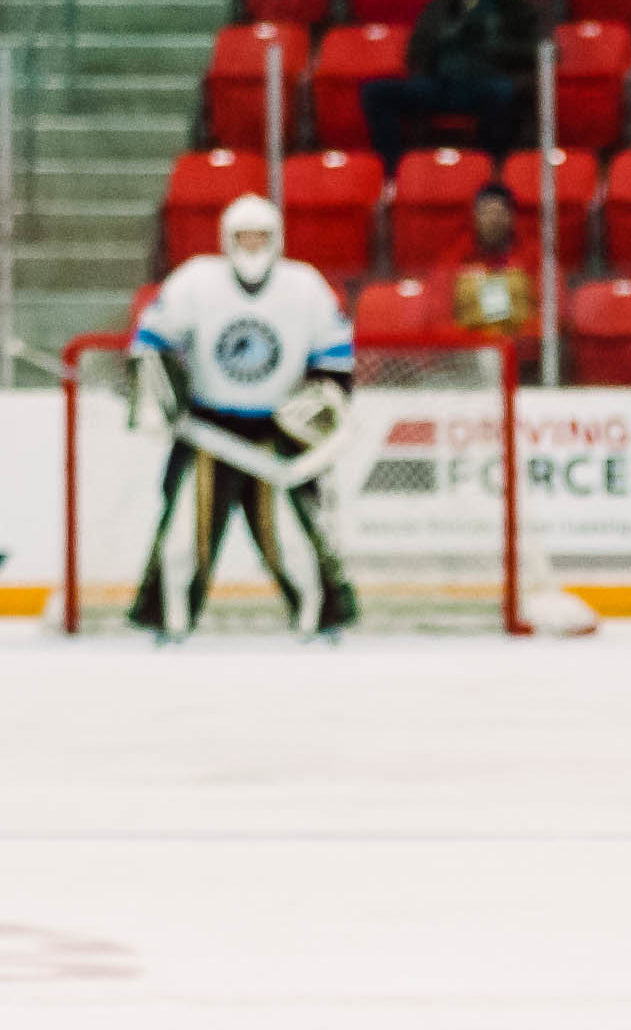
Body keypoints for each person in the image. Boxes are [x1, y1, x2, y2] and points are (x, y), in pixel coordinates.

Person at [126, 196, 361, 643]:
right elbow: (150, 341)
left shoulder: (305, 285)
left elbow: (335, 358)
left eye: (260, 236)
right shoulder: (196, 280)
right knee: (182, 535)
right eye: (242, 236)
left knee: (295, 537)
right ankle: (170, 622)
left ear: (277, 239)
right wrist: (156, 396)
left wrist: (325, 398)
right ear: (226, 239)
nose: (252, 244)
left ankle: (320, 620)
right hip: (207, 428)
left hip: (280, 431)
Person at [360, 0, 537, 173]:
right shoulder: (439, 6)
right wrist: (443, 41)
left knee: (504, 93)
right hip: (440, 84)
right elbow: (415, 49)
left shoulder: (514, 7)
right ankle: (394, 171)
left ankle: (490, 168)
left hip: (487, 83)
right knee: (375, 93)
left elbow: (543, 49)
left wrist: (492, 47)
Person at [439, 182, 534, 340]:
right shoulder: (454, 261)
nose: (492, 220)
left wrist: (521, 340)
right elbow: (439, 318)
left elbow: (552, 316)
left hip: (521, 353)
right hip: (468, 354)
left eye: (499, 213)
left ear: (511, 217)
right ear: (474, 216)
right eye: (486, 213)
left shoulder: (533, 259)